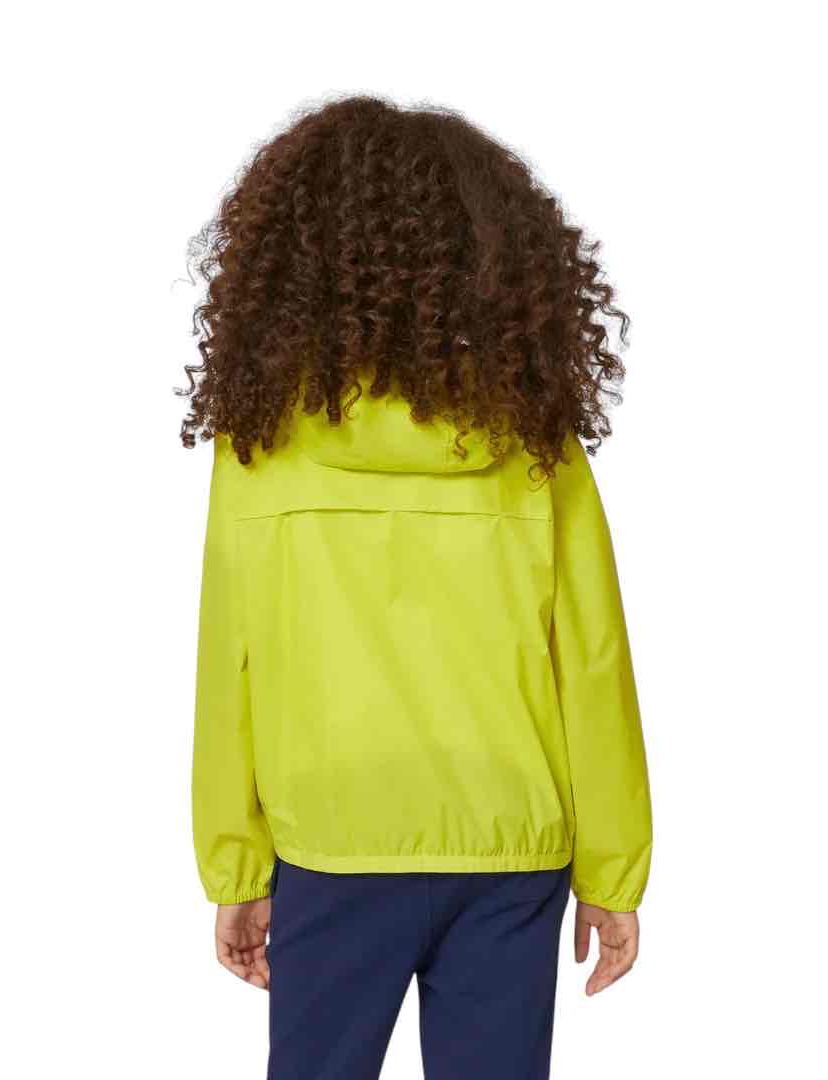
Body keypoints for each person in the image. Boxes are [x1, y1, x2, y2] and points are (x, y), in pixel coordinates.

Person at [180, 94, 653, 1080]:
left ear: (295, 263)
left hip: (331, 845)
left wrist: (235, 863)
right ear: (492, 261)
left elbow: (230, 662)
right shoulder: (537, 447)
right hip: (510, 848)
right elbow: (594, 662)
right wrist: (612, 870)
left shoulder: (262, 448)